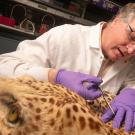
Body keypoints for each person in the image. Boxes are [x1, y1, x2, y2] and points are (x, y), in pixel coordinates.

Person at [0, 2, 135, 132]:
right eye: (132, 36)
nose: (131, 50)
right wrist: (55, 76)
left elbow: (132, 82)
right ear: (116, 20)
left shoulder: (129, 62)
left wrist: (131, 93)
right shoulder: (66, 36)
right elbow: (4, 65)